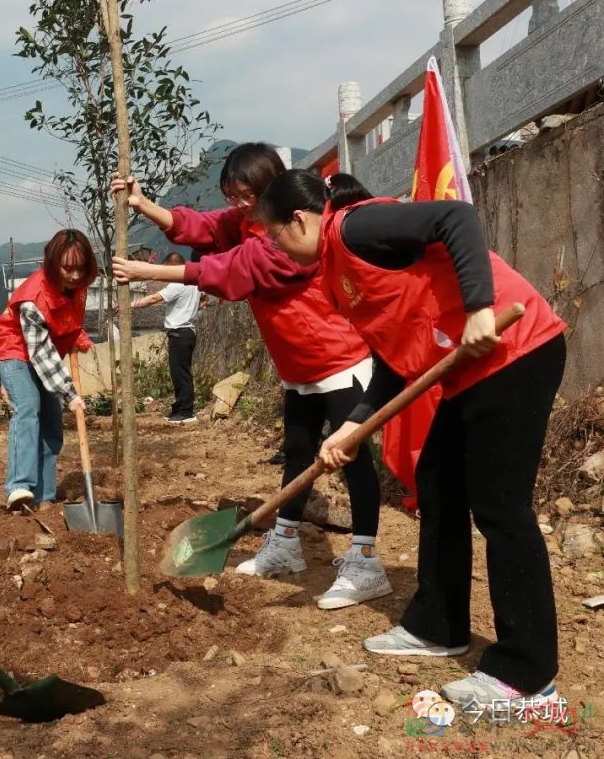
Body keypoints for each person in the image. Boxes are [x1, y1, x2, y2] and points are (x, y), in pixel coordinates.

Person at [257, 169, 567, 712]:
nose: (274, 246)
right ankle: (437, 625)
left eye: (273, 234)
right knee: (439, 487)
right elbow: (392, 354)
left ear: (299, 220)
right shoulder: (336, 266)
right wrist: (357, 422)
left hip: (515, 351)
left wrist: (476, 308)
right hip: (467, 369)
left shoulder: (356, 227)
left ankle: (527, 676)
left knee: (500, 509)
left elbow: (456, 217)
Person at [110, 143, 390, 610]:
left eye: (247, 196)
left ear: (270, 190)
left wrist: (151, 271)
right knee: (298, 456)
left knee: (353, 460)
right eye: (233, 195)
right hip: (297, 367)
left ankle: (365, 560)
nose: (239, 205)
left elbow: (233, 269)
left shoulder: (290, 237)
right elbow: (202, 227)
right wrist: (144, 205)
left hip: (339, 360)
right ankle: (285, 543)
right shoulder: (246, 222)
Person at [0, 229, 96, 509]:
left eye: (81, 268)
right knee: (29, 406)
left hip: (44, 350)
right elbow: (40, 353)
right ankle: (19, 486)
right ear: (52, 263)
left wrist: (78, 336)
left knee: (51, 421)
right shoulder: (33, 298)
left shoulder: (77, 287)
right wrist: (69, 392)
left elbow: (66, 319)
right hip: (15, 349)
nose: (75, 275)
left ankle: (45, 495)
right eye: (68, 268)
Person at [128, 252, 205, 424]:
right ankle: (179, 408)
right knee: (178, 373)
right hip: (186, 332)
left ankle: (186, 412)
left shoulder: (178, 284)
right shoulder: (194, 283)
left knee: (181, 374)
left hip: (180, 333)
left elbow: (155, 298)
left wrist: (130, 305)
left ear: (172, 266)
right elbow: (205, 299)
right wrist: (190, 310)